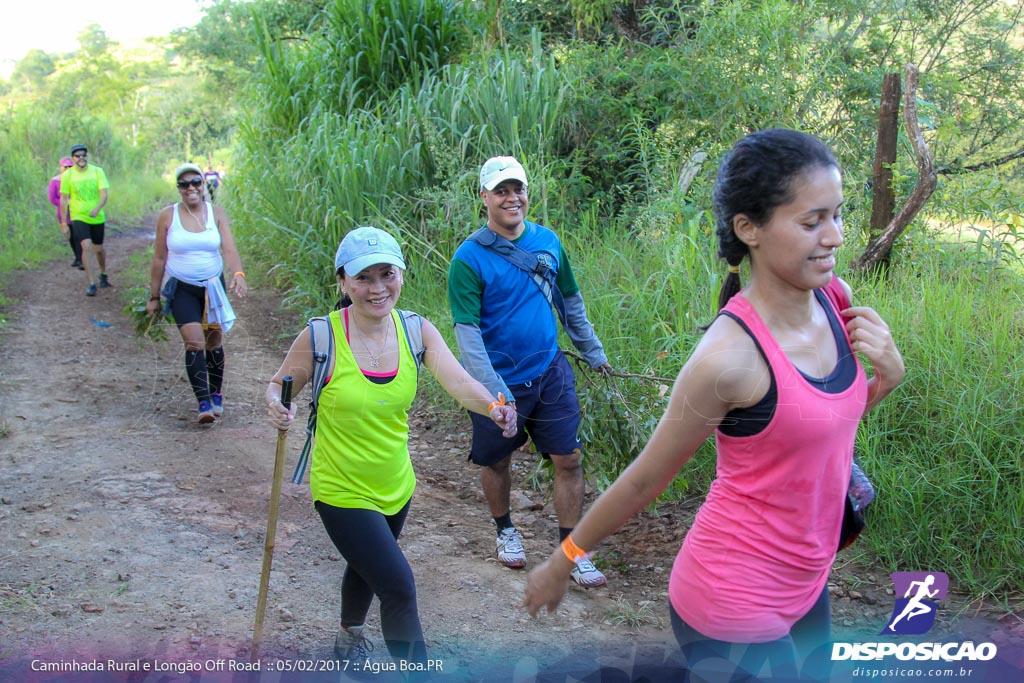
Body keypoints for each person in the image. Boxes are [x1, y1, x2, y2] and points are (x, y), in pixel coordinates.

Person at [524, 129, 906, 682]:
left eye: (838, 216)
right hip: (732, 598)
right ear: (748, 229)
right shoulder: (728, 359)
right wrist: (563, 562)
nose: (835, 237)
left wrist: (885, 381)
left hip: (807, 583)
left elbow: (817, 433)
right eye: (811, 221)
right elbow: (642, 481)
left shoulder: (834, 300)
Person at [266, 226, 518, 669]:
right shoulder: (321, 336)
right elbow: (277, 386)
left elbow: (459, 381)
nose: (377, 288)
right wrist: (276, 406)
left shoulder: (416, 330)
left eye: (387, 274)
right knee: (398, 585)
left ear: (401, 275)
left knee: (369, 566)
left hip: (396, 484)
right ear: (343, 282)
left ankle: (348, 640)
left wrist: (494, 406)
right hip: (340, 488)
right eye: (364, 277)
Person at [448, 156, 613, 587]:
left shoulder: (549, 242)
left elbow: (570, 303)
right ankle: (505, 531)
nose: (511, 197)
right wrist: (494, 393)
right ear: (483, 197)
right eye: (501, 190)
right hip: (497, 383)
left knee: (569, 459)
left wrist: (594, 353)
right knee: (497, 459)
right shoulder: (468, 259)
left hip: (550, 370)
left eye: (517, 188)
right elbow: (468, 337)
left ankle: (571, 551)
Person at [146, 163, 247, 424]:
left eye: (195, 182)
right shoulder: (167, 216)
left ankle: (216, 394)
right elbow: (159, 258)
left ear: (204, 185)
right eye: (184, 184)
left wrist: (238, 274)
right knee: (194, 343)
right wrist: (154, 297)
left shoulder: (217, 213)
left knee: (213, 342)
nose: (190, 188)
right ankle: (203, 402)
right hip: (182, 288)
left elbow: (230, 249)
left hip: (212, 287)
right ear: (178, 188)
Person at [60, 144, 111, 296]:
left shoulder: (97, 171)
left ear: (87, 156)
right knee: (86, 246)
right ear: (73, 158)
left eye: (83, 155)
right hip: (78, 216)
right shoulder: (68, 176)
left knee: (98, 249)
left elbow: (104, 194)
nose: (81, 158)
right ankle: (91, 283)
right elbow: (63, 198)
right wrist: (64, 223)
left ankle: (103, 273)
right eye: (77, 156)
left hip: (96, 216)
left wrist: (97, 208)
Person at [48, 156, 81, 269]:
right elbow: (52, 198)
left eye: (70, 167)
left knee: (78, 235)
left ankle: (81, 258)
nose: (67, 169)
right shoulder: (55, 181)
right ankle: (77, 257)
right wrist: (65, 203)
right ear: (60, 167)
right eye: (65, 167)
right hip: (64, 213)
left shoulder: (77, 179)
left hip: (77, 211)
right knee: (70, 236)